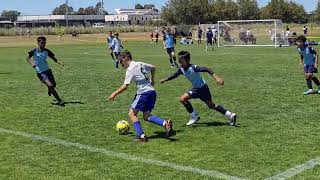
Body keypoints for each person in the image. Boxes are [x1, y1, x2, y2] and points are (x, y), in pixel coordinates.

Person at [107, 50, 173, 142]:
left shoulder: (130, 70)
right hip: (152, 92)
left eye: (121, 63)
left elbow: (125, 86)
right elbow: (153, 67)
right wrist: (152, 80)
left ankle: (141, 136)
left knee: (132, 114)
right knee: (146, 116)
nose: (122, 65)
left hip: (143, 93)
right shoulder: (140, 63)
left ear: (124, 59)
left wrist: (114, 93)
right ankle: (165, 123)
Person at [160, 51, 238, 126]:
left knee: (210, 105)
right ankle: (230, 115)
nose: (180, 63)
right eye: (179, 61)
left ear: (187, 60)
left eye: (181, 61)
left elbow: (207, 69)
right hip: (197, 89)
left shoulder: (193, 67)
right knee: (185, 99)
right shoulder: (181, 69)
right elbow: (175, 75)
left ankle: (195, 116)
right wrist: (165, 79)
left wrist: (216, 77)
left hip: (202, 89)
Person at [26, 36, 65, 106]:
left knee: (53, 85)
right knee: (50, 85)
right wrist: (32, 63)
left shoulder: (46, 51)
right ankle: (59, 100)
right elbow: (28, 58)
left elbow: (53, 57)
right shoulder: (34, 51)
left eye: (44, 43)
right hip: (40, 72)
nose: (43, 44)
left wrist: (59, 62)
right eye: (41, 43)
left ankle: (49, 89)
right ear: (38, 43)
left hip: (48, 70)